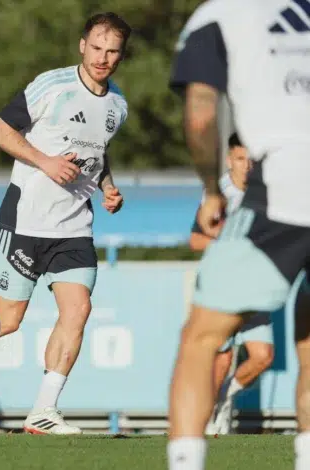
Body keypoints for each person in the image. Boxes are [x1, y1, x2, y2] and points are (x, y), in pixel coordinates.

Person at [0, 12, 131, 434]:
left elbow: (97, 152)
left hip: (74, 228)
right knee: (10, 320)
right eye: (97, 48)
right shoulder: (52, 87)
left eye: (112, 51)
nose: (103, 58)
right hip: (25, 222)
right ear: (82, 45)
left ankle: (43, 410)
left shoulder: (117, 105)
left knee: (79, 310)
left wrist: (108, 186)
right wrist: (46, 162)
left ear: (121, 55)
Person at [167, 1, 310, 468]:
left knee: (200, 340)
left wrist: (212, 190)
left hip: (286, 187)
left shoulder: (220, 15)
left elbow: (202, 114)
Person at [189, 133, 274, 435]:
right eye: (240, 159)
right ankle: (207, 422)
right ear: (229, 160)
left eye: (252, 159)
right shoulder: (217, 196)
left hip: (255, 289)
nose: (247, 165)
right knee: (221, 358)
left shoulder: (267, 194)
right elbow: (196, 240)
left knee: (262, 356)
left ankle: (225, 397)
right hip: (222, 287)